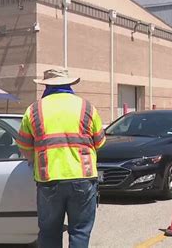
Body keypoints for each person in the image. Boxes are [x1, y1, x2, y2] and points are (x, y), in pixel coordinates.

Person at [16, 69, 106, 248]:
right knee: (80, 232)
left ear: (46, 85)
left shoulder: (34, 110)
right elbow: (100, 142)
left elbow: (25, 147)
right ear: (69, 84)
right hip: (83, 178)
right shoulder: (87, 107)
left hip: (48, 179)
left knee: (49, 232)